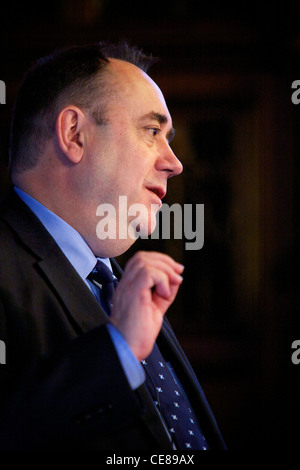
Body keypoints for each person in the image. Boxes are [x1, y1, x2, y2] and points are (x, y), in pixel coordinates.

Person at [0, 41, 226, 450]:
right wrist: (118, 350)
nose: (174, 162)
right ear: (74, 134)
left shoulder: (113, 280)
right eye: (152, 131)